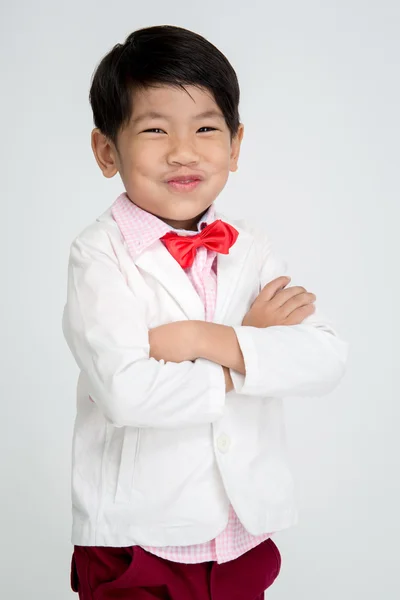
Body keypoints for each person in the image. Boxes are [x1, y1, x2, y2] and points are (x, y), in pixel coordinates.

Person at [62, 24, 349, 600]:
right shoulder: (98, 254)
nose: (183, 151)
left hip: (241, 534)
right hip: (137, 539)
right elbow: (128, 393)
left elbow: (324, 358)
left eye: (206, 129)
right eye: (154, 129)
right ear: (105, 150)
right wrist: (252, 351)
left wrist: (202, 337)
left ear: (236, 145)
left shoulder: (251, 245)